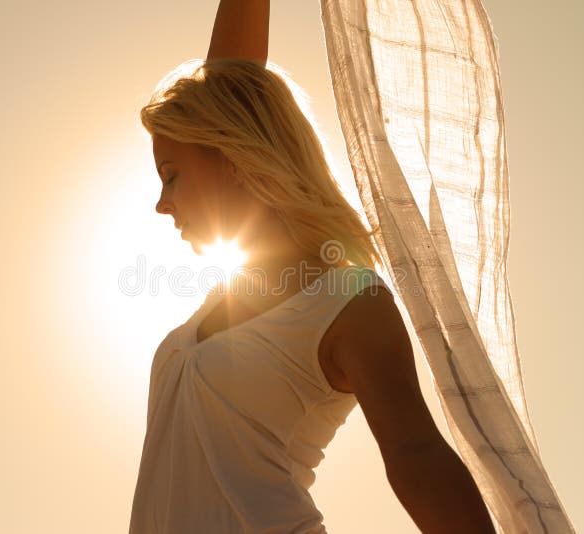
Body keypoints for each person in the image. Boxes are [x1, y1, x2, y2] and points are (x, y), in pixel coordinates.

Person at [129, 1, 496, 532]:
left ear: (233, 158)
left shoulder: (349, 303)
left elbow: (416, 456)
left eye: (172, 175)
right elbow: (232, 85)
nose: (162, 204)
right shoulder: (236, 290)